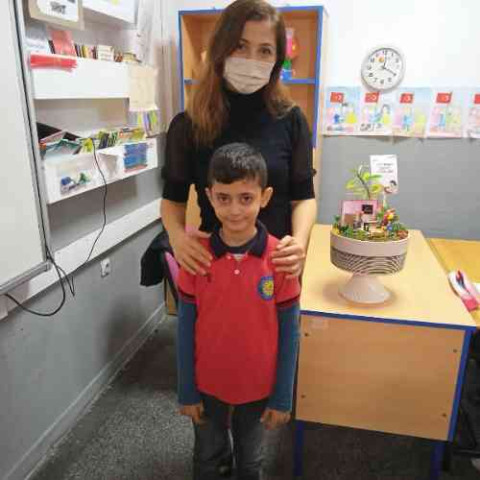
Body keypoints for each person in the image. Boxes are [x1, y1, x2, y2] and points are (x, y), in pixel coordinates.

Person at [161, 0, 317, 279]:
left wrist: (300, 242)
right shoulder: (188, 125)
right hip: (214, 267)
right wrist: (177, 237)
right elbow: (173, 200)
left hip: (277, 267)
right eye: (240, 46)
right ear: (221, 49)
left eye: (265, 50)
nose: (251, 59)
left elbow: (303, 197)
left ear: (277, 60)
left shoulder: (292, 120)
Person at [177, 143, 301, 480]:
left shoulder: (280, 258)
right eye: (224, 198)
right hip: (207, 384)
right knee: (207, 458)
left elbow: (290, 333)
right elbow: (184, 329)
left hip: (259, 387)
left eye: (246, 198)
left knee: (251, 462)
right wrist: (187, 390)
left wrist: (282, 397)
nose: (234, 210)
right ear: (209, 196)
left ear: (265, 197)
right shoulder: (195, 257)